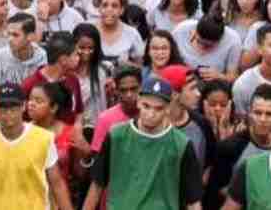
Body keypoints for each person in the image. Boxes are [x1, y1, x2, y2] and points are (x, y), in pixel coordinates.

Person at [80, 75, 202, 210]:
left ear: (168, 108)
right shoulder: (116, 136)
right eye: (146, 106)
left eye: (158, 108)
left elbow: (193, 201)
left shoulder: (181, 144)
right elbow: (97, 185)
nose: (150, 114)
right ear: (138, 102)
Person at [0, 83, 74, 210]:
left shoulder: (43, 139)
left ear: (23, 107)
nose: (8, 113)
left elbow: (57, 183)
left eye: (13, 107)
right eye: (3, 108)